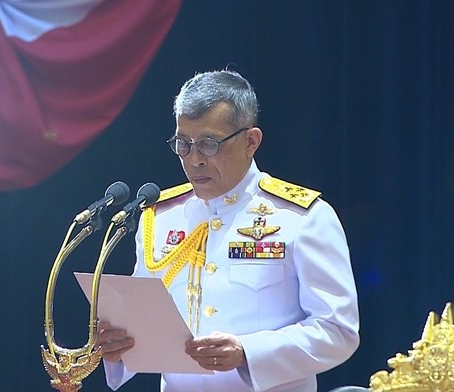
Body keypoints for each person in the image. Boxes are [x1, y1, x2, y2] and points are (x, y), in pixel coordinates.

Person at [96, 69, 359, 391]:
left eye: (208, 145)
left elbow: (338, 331)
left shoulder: (301, 217)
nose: (194, 160)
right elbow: (145, 326)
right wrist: (117, 346)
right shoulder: (161, 216)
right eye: (183, 144)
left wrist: (248, 352)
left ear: (251, 141)